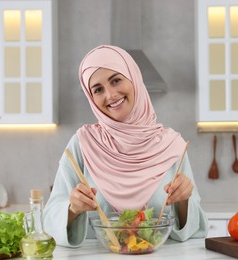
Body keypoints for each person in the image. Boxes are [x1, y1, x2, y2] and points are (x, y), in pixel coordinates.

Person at [43, 45, 209, 247]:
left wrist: (183, 200)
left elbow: (194, 229)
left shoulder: (172, 146)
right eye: (98, 89)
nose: (110, 95)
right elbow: (50, 219)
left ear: (134, 79)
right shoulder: (82, 143)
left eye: (116, 80)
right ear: (91, 98)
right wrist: (72, 209)